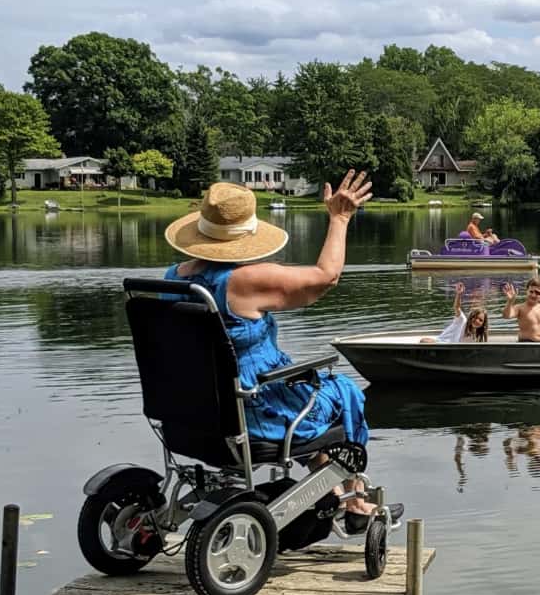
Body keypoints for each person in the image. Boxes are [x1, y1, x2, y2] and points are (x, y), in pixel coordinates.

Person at [162, 172, 401, 526]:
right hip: (248, 409)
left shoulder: (174, 276)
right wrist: (339, 218)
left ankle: (331, 493)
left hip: (189, 409)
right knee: (343, 392)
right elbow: (326, 277)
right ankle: (355, 503)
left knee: (303, 398)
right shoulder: (243, 281)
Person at [420, 282, 489, 343]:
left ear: (483, 324)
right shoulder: (462, 320)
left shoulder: (478, 335)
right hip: (441, 343)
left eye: (480, 320)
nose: (477, 321)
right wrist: (459, 294)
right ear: (471, 317)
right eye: (475, 317)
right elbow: (457, 307)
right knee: (424, 341)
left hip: (456, 351)